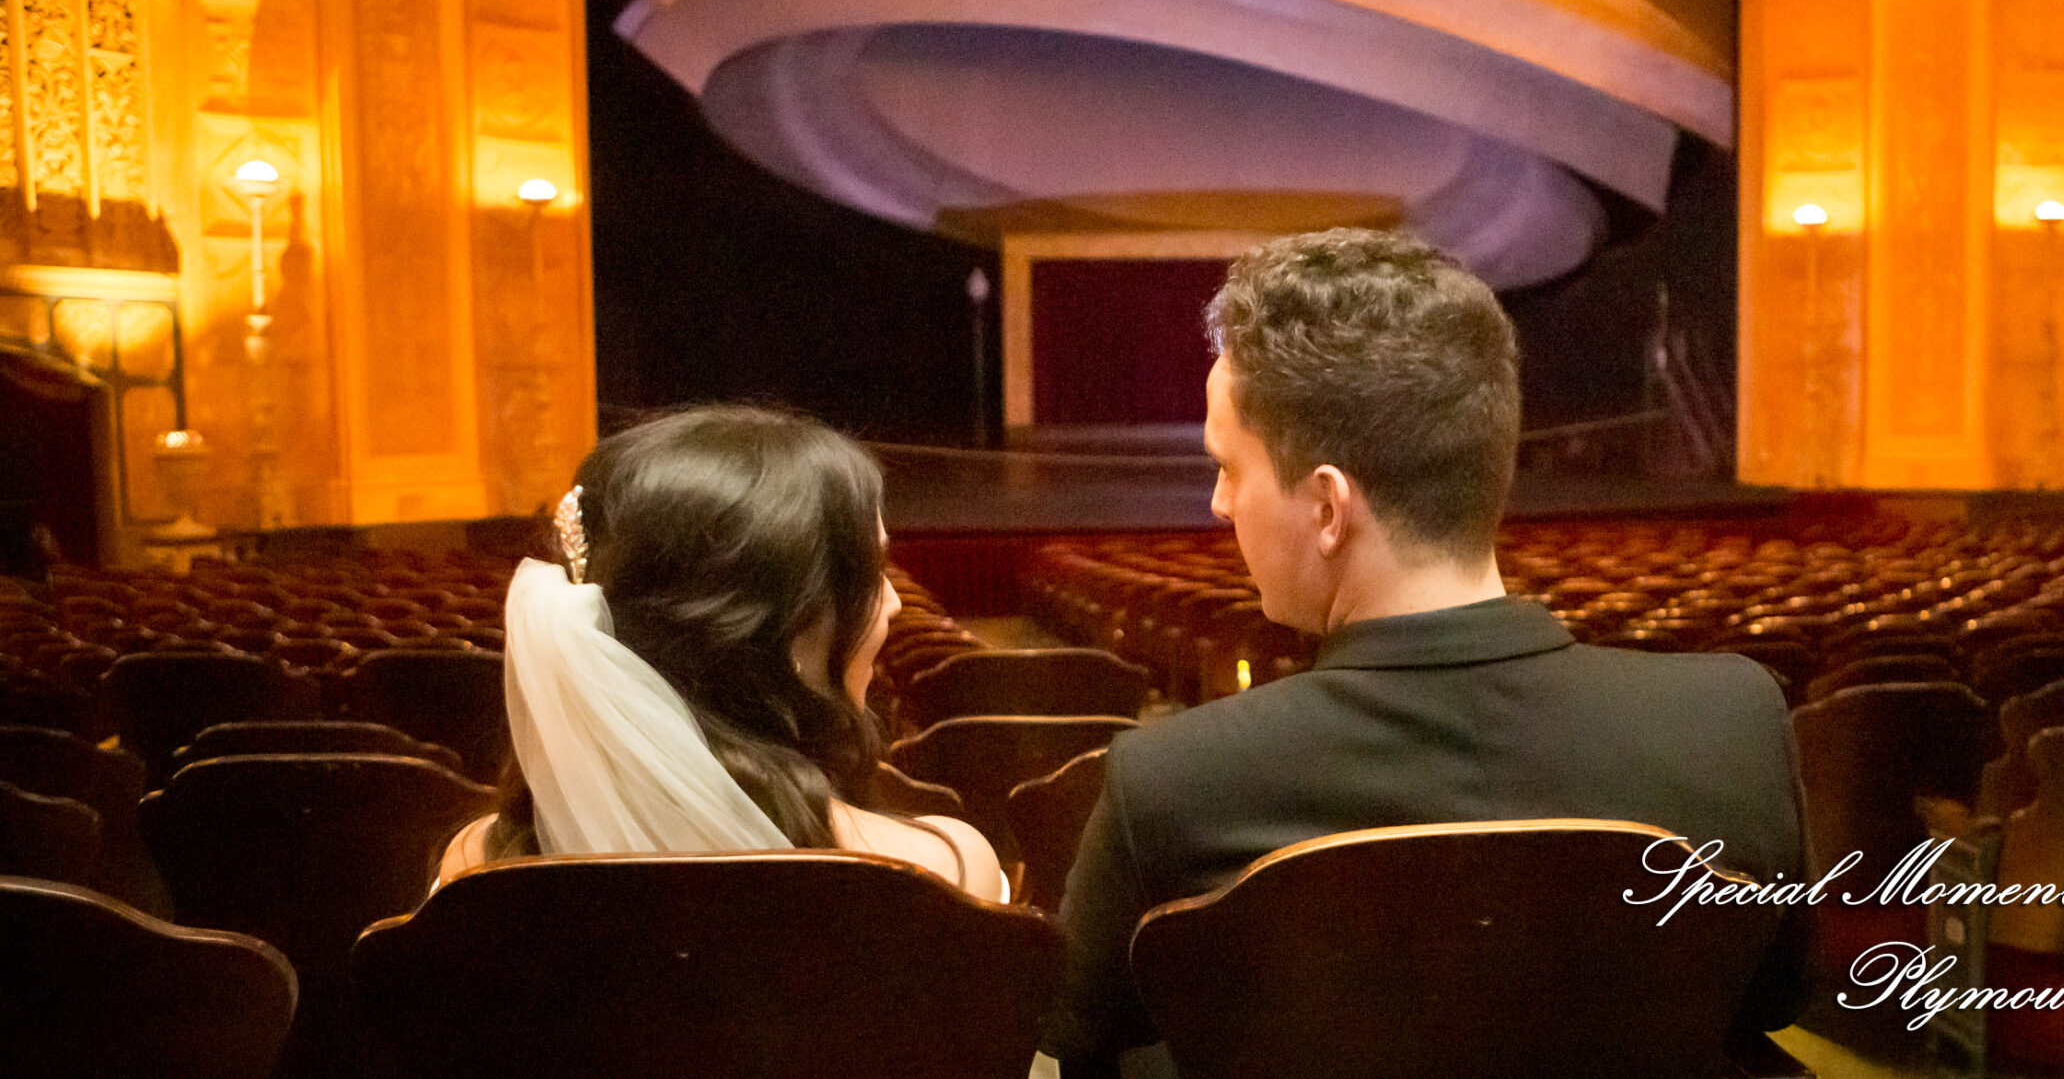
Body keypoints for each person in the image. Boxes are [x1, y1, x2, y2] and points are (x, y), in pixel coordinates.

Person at [1043, 229, 1810, 1074]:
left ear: (1328, 507)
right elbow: (1774, 1003)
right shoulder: (1734, 723)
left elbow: (1067, 1045)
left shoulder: (1170, 784)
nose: (1219, 503)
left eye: (1228, 466)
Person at [438, 405, 1005, 901]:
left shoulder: (470, 877)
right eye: (872, 574)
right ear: (782, 636)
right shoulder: (943, 875)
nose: (892, 606)